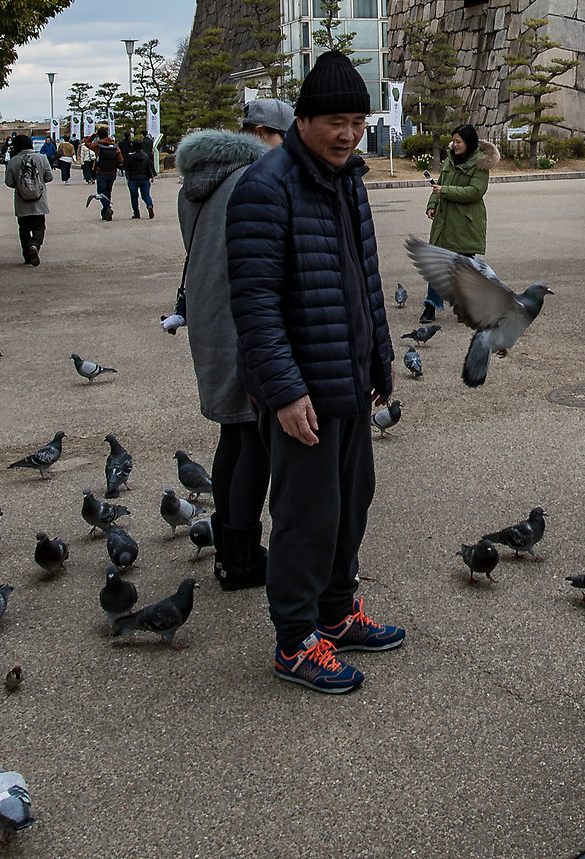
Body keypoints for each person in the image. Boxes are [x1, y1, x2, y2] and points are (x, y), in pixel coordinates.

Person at [225, 50, 403, 694]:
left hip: (350, 376)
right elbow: (255, 305)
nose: (348, 132)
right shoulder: (264, 188)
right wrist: (284, 389)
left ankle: (335, 611)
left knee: (351, 503)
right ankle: (295, 640)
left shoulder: (349, 179)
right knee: (306, 515)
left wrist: (381, 355)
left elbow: (365, 280)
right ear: (302, 120)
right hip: (302, 387)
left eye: (357, 120)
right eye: (335, 119)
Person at [175, 98, 294, 592]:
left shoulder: (196, 181)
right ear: (271, 135)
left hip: (207, 316)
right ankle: (242, 560)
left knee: (232, 435)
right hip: (244, 318)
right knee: (255, 440)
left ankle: (228, 549)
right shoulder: (255, 180)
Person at [419, 123, 498, 320]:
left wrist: (444, 191)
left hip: (465, 223)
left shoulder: (480, 164)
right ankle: (430, 306)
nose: (454, 145)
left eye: (458, 141)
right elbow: (440, 184)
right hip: (445, 221)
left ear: (468, 142)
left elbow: (475, 192)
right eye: (453, 140)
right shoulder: (450, 160)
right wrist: (432, 204)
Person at [4, 132, 54, 264]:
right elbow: (49, 177)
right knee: (39, 227)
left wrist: (21, 186)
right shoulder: (41, 158)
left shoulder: (13, 161)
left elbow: (9, 182)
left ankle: (27, 256)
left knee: (24, 229)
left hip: (22, 202)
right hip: (39, 201)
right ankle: (35, 246)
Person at [83, 126, 123, 217]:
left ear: (98, 136)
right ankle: (105, 210)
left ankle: (107, 208)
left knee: (101, 193)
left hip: (101, 172)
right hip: (112, 172)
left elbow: (87, 143)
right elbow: (120, 160)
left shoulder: (98, 145)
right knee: (108, 192)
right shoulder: (114, 146)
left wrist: (93, 135)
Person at [120, 129, 157, 217]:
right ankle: (149, 205)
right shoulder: (145, 156)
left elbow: (123, 167)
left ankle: (136, 213)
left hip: (133, 179)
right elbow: (150, 166)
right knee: (146, 195)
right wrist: (152, 176)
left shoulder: (130, 157)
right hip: (144, 178)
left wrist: (116, 164)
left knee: (134, 196)